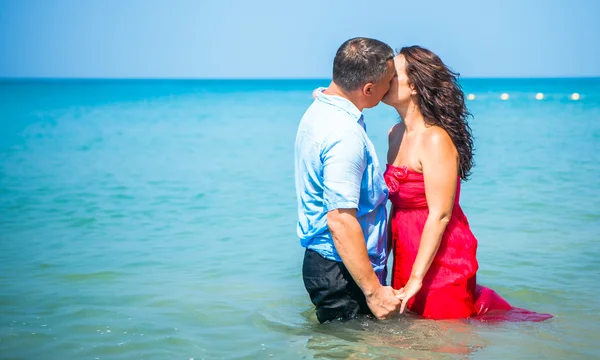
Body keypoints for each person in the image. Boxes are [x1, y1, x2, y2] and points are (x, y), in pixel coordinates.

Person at [382, 45, 552, 321]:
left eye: (392, 75)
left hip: (440, 262)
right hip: (405, 255)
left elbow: (440, 215)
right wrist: (382, 260)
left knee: (446, 343)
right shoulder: (394, 134)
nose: (384, 80)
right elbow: (396, 205)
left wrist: (416, 279)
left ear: (413, 85)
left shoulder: (435, 139)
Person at [294, 37, 401, 323]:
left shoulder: (320, 108)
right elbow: (340, 219)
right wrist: (375, 292)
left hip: (330, 263)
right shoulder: (344, 134)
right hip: (341, 268)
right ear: (368, 89)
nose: (393, 86)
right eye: (389, 80)